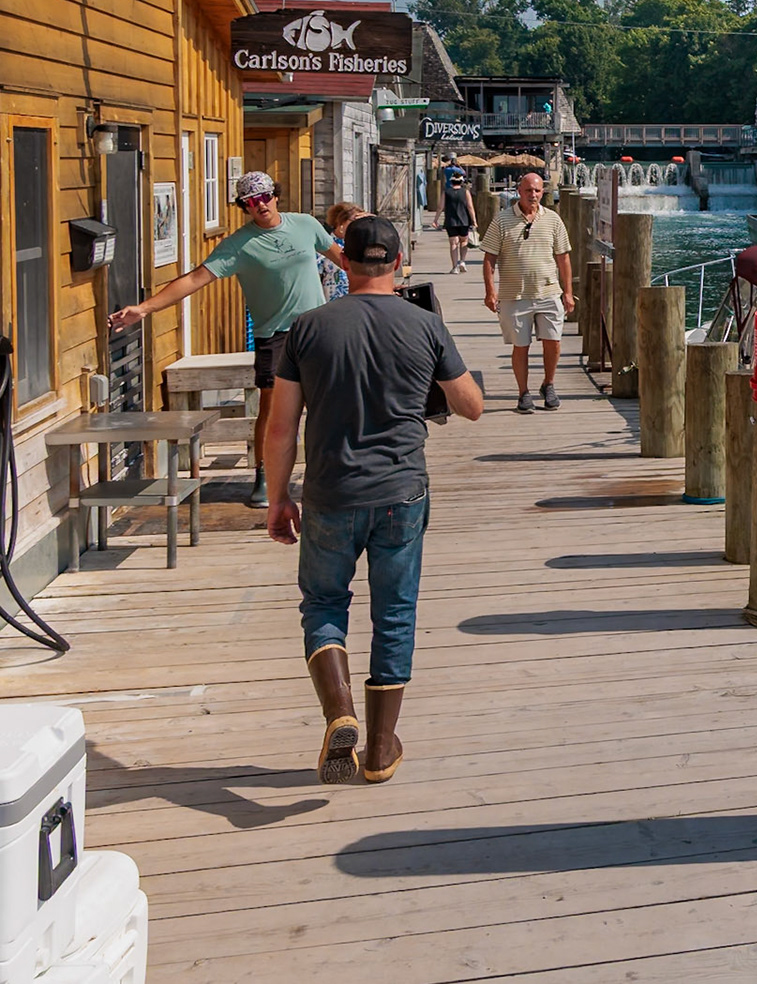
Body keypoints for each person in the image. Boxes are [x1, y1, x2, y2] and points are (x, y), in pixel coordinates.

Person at [264, 214, 484, 785]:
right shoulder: (424, 324)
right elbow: (470, 406)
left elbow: (281, 428)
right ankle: (381, 750)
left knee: (323, 604)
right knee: (393, 613)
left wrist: (278, 498)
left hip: (330, 493)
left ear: (346, 261)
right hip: (401, 492)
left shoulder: (305, 329)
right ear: (397, 263)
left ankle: (340, 711)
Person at [108, 171, 342, 507]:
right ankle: (264, 475)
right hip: (274, 336)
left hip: (316, 329)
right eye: (251, 202)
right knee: (273, 408)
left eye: (264, 197)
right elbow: (194, 280)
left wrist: (380, 285)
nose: (260, 205)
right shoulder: (238, 245)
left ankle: (328, 472)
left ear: (275, 195)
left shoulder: (306, 224)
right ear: (244, 207)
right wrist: (144, 309)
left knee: (327, 405)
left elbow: (342, 259)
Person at [479, 170, 573, 413]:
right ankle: (523, 392)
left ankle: (548, 384)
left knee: (553, 342)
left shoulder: (553, 219)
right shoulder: (501, 220)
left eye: (537, 190)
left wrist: (568, 292)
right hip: (514, 295)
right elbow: (489, 258)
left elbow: (563, 258)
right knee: (521, 346)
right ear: (519, 192)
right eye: (528, 190)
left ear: (543, 192)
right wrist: (491, 291)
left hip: (549, 292)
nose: (533, 195)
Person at [321, 204, 367, 301]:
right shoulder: (325, 244)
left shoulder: (362, 244)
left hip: (358, 302)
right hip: (332, 303)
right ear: (341, 221)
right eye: (354, 220)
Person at [441, 170, 475, 273]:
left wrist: (435, 219)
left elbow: (440, 206)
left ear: (451, 182)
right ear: (461, 182)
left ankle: (455, 266)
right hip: (464, 220)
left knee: (453, 244)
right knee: (463, 241)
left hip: (450, 221)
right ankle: (462, 261)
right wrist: (474, 220)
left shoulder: (446, 192)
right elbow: (470, 207)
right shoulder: (465, 192)